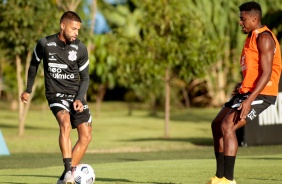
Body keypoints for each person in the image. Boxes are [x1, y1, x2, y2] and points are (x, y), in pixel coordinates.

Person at [207, 1, 281, 184]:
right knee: (217, 124)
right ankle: (219, 177)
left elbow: (267, 74)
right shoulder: (251, 37)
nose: (240, 22)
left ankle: (229, 179)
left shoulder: (264, 38)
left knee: (228, 126)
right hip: (247, 91)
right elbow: (255, 71)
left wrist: (248, 101)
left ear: (254, 18)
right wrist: (243, 84)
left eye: (243, 18)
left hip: (263, 94)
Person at [20, 11, 92, 184]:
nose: (76, 33)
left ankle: (64, 178)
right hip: (56, 95)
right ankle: (69, 172)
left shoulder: (80, 48)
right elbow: (33, 65)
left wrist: (79, 98)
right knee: (65, 123)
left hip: (76, 95)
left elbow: (86, 78)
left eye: (78, 30)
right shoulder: (45, 43)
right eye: (73, 29)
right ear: (62, 25)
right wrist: (28, 89)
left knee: (86, 136)